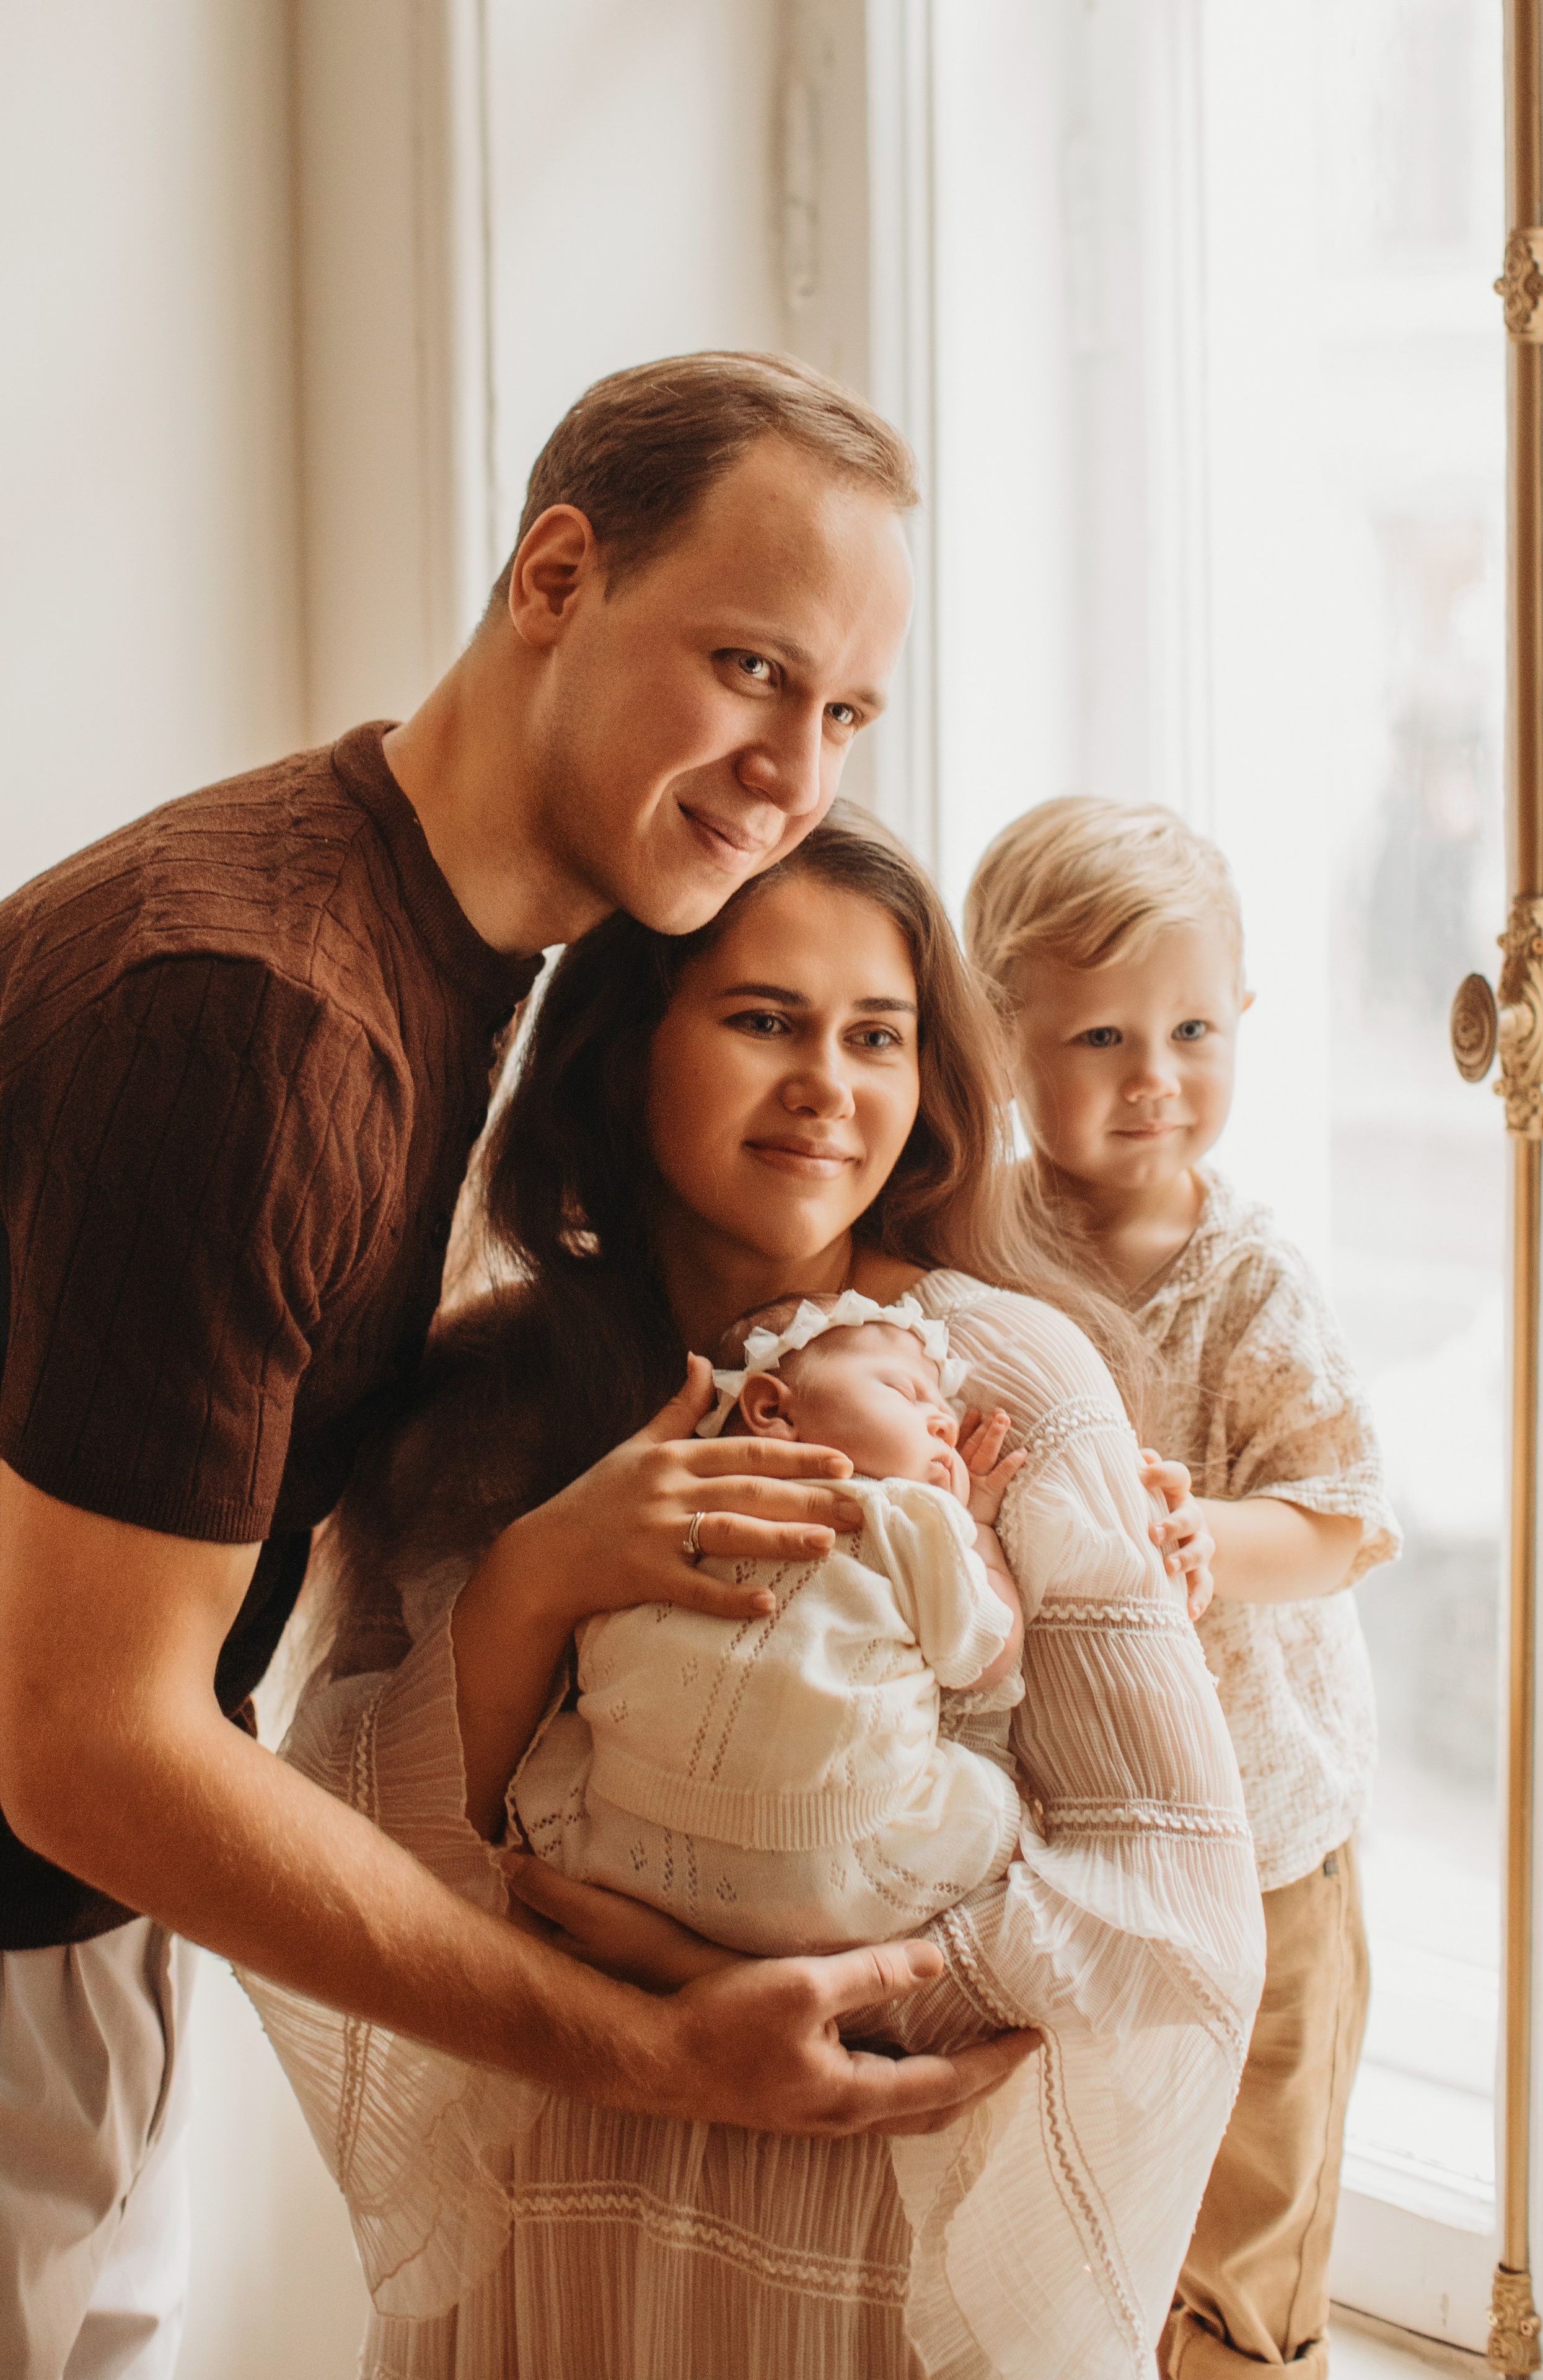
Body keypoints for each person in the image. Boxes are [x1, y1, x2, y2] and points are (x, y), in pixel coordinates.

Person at [0, 351, 1037, 2380]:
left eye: (843, 714)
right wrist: (655, 2055)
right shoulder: (258, 1008)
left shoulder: (438, 952)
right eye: (751, 666)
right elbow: (84, 1734)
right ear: (555, 574)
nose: (788, 771)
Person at [242, 803, 1265, 2378]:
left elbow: (1179, 1909)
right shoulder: (485, 1398)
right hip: (553, 2252)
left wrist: (725, 1986)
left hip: (862, 2264)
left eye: (876, 1035)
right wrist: (537, 1580)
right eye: (763, 1020)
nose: (826, 1086)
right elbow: (339, 1862)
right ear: (621, 1054)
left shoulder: (1006, 1381)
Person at [967, 798, 1402, 2380]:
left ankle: (1239, 2350)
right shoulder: (980, 1249)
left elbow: (1343, 1516)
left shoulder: (1250, 1277)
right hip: (1076, 1822)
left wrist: (1215, 1538)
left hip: (1266, 1817)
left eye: (1191, 1028)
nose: (1154, 1076)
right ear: (997, 1039)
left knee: (1255, 2174)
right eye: (1097, 1035)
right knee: (1084, 2157)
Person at [509, 1290, 1029, 1956]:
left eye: (946, 1417)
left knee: (559, 1742)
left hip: (618, 1840)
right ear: (771, 1409)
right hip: (833, 1870)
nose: (941, 1425)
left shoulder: (660, 1503)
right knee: (990, 1804)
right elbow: (986, 1659)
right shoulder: (907, 1516)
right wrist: (976, 1530)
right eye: (907, 1392)